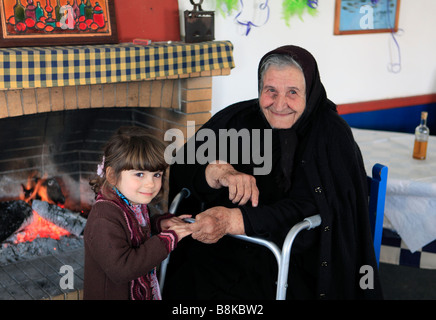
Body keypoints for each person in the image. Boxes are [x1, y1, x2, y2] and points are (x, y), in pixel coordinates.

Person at [163, 45, 383, 299]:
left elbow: (313, 208)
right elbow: (183, 167)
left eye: (292, 92)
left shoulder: (330, 134)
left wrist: (234, 220)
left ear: (309, 92)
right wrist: (215, 173)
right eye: (270, 91)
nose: (279, 104)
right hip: (227, 250)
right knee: (187, 278)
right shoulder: (239, 119)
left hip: (293, 263)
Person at [83, 126, 192, 300]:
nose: (150, 184)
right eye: (140, 174)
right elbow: (122, 269)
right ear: (112, 176)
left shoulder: (133, 203)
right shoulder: (103, 218)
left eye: (156, 175)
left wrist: (158, 225)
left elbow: (136, 231)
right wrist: (167, 239)